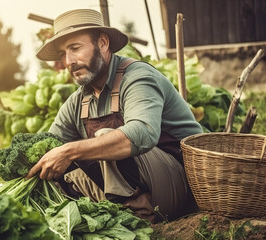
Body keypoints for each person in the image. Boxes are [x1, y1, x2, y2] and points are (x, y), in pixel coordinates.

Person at [27, 8, 203, 223]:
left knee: (103, 137)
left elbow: (143, 133)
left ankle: (140, 220)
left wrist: (70, 150)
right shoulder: (79, 100)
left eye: (75, 48)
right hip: (132, 189)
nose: (69, 61)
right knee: (54, 163)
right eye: (64, 53)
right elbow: (48, 144)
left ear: (102, 43)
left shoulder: (138, 77)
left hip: (184, 186)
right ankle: (118, 215)